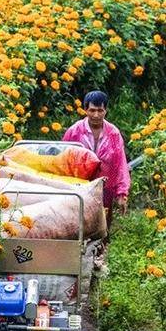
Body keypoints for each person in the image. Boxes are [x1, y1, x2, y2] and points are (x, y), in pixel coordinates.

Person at [62, 91, 130, 229]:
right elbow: (63, 159)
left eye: (100, 110)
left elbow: (120, 163)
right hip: (79, 186)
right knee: (78, 226)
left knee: (102, 228)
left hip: (105, 188)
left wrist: (122, 192)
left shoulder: (113, 134)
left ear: (106, 111)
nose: (96, 115)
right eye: (92, 110)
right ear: (85, 110)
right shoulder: (74, 132)